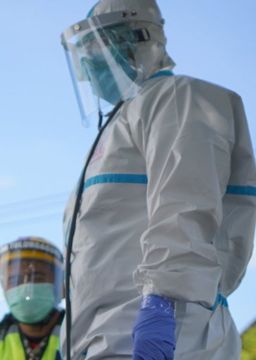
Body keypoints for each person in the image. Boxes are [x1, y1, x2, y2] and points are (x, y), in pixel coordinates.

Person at [59, 0, 256, 359]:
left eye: (95, 49)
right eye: (83, 54)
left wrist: (161, 306)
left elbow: (185, 207)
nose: (88, 68)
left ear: (134, 38)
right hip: (103, 340)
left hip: (168, 334)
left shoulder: (178, 100)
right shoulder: (118, 127)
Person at [0, 236, 64, 360]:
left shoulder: (78, 329)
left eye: (37, 277)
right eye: (14, 280)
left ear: (59, 284)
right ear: (3, 285)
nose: (26, 287)